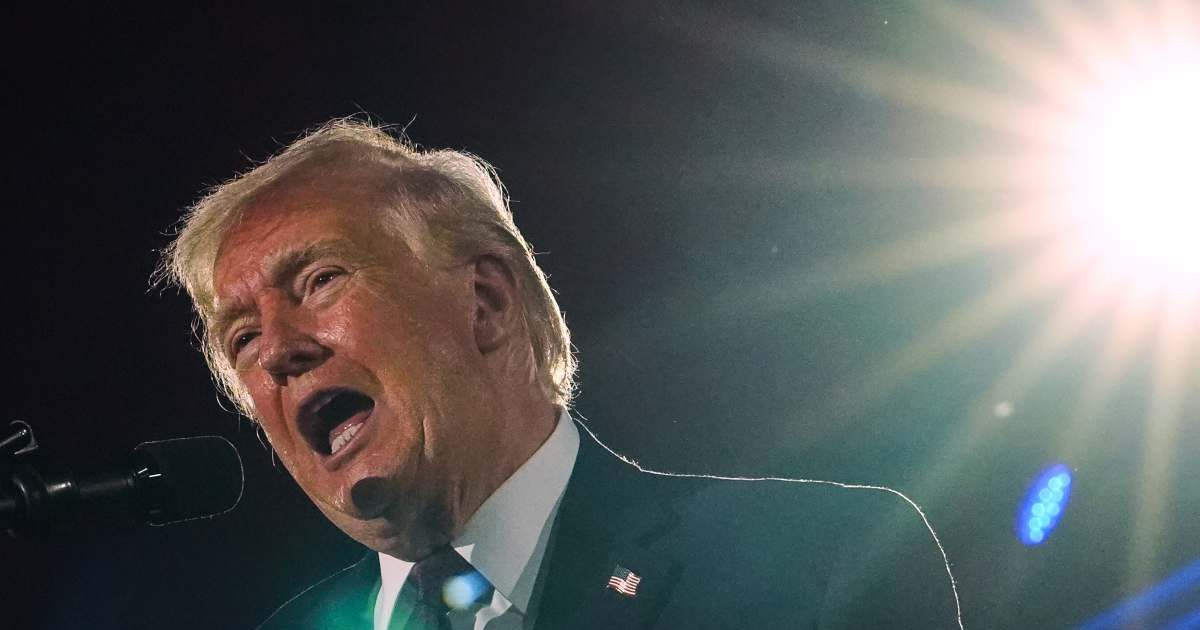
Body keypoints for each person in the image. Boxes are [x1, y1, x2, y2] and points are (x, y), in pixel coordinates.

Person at [158, 119, 962, 629]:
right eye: (241, 340)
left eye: (320, 282)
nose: (278, 350)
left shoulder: (814, 565)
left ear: (487, 301)